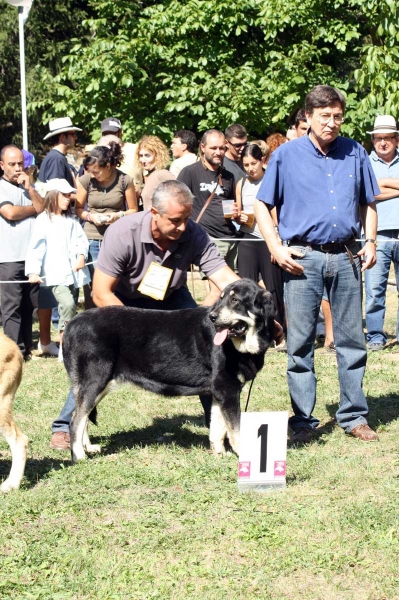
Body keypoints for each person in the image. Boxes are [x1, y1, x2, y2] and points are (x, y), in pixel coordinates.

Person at [50, 180, 240, 450]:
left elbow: (224, 277)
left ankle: (219, 427)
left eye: (186, 218)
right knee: (97, 362)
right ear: (154, 213)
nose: (183, 226)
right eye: (175, 220)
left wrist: (257, 303)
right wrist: (134, 333)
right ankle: (64, 427)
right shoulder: (122, 232)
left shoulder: (193, 233)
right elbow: (101, 292)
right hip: (123, 301)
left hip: (171, 297)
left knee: (211, 349)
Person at [254, 84, 380, 443]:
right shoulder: (285, 156)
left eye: (338, 117)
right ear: (307, 117)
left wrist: (370, 241)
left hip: (347, 255)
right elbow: (262, 206)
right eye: (325, 116)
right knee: (300, 342)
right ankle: (304, 420)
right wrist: (276, 248)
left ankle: (354, 415)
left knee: (352, 340)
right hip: (301, 258)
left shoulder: (356, 151)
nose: (332, 123)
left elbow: (368, 202)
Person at [25, 179, 91, 361]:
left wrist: (80, 255)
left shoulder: (71, 220)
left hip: (73, 274)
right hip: (55, 275)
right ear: (53, 195)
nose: (68, 199)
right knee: (68, 304)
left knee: (68, 308)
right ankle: (65, 346)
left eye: (69, 195)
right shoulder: (43, 220)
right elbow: (36, 247)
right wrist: (33, 270)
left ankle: (62, 344)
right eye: (64, 195)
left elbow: (81, 240)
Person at [37, 117, 82, 356]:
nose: (75, 137)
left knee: (51, 294)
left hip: (61, 227)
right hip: (56, 229)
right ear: (63, 136)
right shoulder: (56, 159)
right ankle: (58, 341)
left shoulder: (56, 158)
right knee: (59, 297)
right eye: (72, 134)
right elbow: (53, 191)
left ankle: (47, 341)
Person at [178, 129, 237, 305]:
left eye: (222, 148)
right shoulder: (189, 172)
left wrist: (236, 214)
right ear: (203, 147)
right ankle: (195, 326)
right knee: (217, 290)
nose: (218, 152)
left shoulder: (228, 176)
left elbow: (231, 203)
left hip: (230, 238)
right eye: (213, 148)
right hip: (208, 238)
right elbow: (177, 202)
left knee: (229, 291)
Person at [235, 144, 285, 337]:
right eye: (246, 164)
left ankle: (277, 329)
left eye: (253, 163)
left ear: (263, 160)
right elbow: (240, 210)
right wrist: (238, 216)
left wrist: (277, 244)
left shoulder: (271, 180)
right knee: (246, 286)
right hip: (248, 238)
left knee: (273, 288)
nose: (250, 168)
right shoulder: (241, 183)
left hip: (268, 239)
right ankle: (249, 329)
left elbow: (277, 216)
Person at [0, 146, 44, 360]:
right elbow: (9, 212)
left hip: (31, 257)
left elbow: (42, 207)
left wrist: (31, 189)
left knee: (29, 305)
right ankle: (13, 351)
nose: (18, 168)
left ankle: (26, 349)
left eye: (21, 163)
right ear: (2, 165)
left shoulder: (29, 186)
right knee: (12, 306)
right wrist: (33, 209)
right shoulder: (1, 187)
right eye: (12, 164)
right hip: (8, 257)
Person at [74, 142, 138, 285]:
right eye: (90, 171)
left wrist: (118, 216)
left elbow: (134, 210)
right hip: (92, 237)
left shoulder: (125, 180)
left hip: (116, 237)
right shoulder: (86, 181)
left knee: (116, 281)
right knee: (95, 282)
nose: (93, 175)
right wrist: (91, 216)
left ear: (108, 166)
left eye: (96, 172)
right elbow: (78, 209)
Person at [365, 115, 399, 351]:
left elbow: (376, 189)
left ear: (397, 140)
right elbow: (368, 193)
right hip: (376, 236)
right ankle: (376, 335)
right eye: (379, 138)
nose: (383, 143)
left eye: (388, 138)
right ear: (373, 140)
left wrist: (382, 182)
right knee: (375, 290)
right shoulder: (365, 163)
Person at [135, 135, 175, 210]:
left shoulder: (161, 174)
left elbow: (181, 194)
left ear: (158, 156)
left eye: (147, 155)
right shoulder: (151, 174)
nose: (143, 160)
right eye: (141, 155)